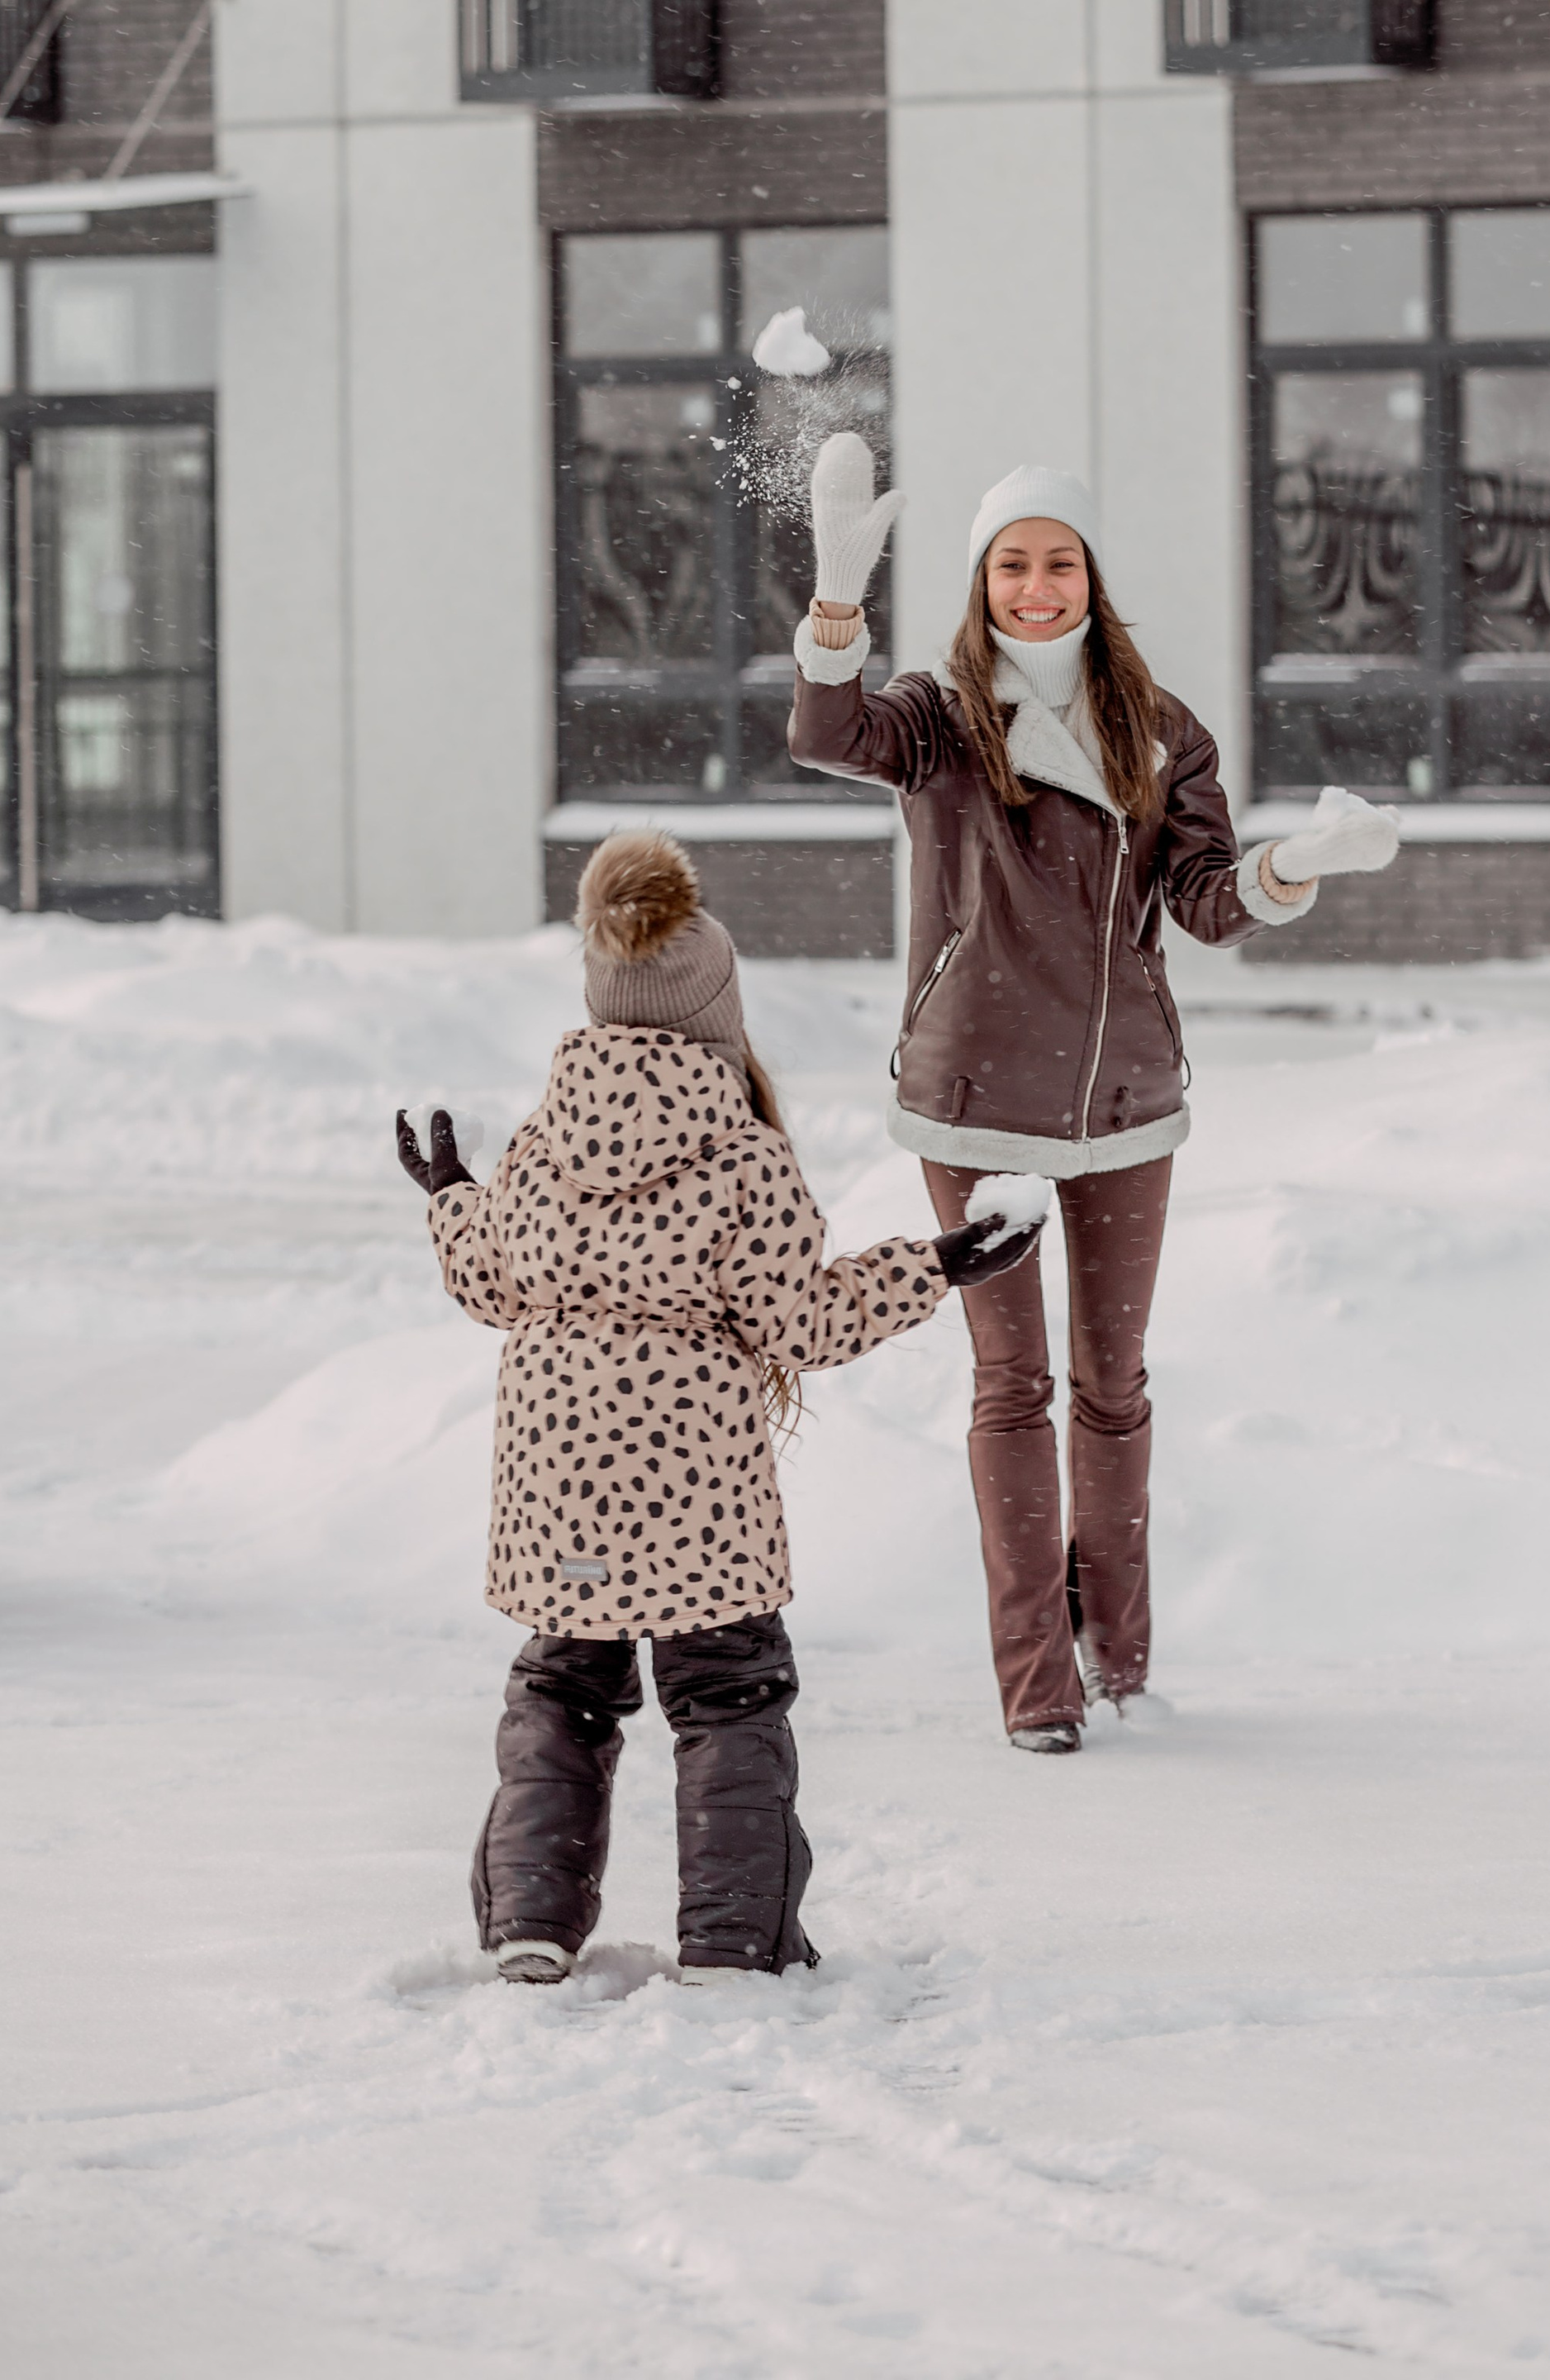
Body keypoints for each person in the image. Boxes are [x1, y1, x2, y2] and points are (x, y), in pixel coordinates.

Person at [787, 442, 1398, 1754]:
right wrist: (838, 596)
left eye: (1059, 560)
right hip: (975, 1091)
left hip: (1125, 1099)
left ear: (1092, 576)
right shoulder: (938, 712)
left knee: (1112, 1385)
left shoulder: (1161, 729)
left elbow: (1208, 901)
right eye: (1013, 562)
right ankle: (1037, 1687)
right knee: (1012, 1387)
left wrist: (1299, 861)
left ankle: (1122, 1663)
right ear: (982, 580)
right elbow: (826, 734)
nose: (1037, 584)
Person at [396, 827, 1039, 1987]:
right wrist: (935, 1267)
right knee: (730, 1694)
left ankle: (532, 1922)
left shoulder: (544, 1139)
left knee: (563, 1685)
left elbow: (489, 1279)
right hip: (694, 1484)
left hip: (558, 1479)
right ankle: (736, 1939)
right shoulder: (740, 1153)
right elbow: (801, 1323)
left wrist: (451, 1195)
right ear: (713, 1014)